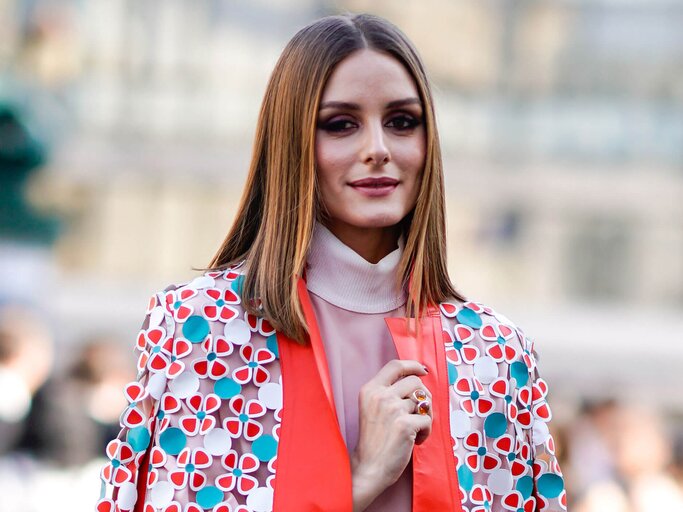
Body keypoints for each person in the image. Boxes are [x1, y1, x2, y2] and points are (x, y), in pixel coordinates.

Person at [97, 13, 566, 512]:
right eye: (341, 125)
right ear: (293, 143)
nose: (378, 149)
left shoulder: (494, 354)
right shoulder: (202, 330)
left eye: (402, 121)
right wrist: (358, 483)